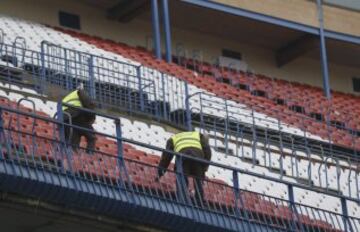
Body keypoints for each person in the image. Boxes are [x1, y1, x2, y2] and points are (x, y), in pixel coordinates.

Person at [157, 130, 212, 206]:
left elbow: (166, 158)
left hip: (183, 159)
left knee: (182, 179)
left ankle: (182, 199)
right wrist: (205, 165)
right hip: (198, 159)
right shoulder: (197, 134)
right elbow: (207, 150)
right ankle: (199, 202)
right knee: (198, 180)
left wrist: (159, 173)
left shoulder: (172, 139)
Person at [62, 83, 96, 154]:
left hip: (65, 119)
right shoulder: (80, 91)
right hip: (74, 115)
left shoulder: (70, 96)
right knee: (91, 136)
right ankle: (90, 156)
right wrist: (92, 117)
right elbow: (89, 104)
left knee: (73, 142)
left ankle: (71, 157)